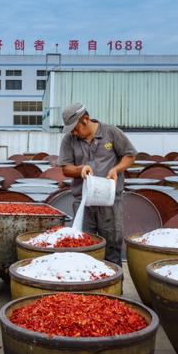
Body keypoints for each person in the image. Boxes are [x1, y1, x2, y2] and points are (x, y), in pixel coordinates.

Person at [58, 102, 137, 265]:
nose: (73, 132)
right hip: (84, 202)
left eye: (75, 128)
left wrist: (116, 169)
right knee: (82, 248)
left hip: (109, 202)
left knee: (112, 249)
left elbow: (130, 155)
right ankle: (87, 288)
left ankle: (113, 289)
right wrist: (80, 170)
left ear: (85, 120)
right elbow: (65, 168)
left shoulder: (111, 133)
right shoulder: (69, 140)